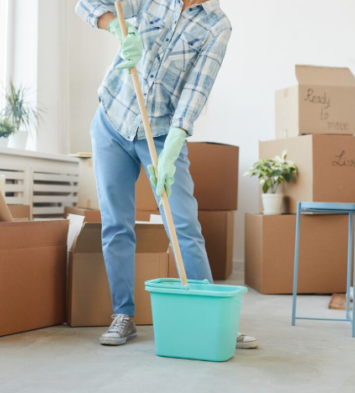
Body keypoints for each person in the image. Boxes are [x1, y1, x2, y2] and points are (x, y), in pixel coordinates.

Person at [76, 0, 257, 349]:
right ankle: (123, 315)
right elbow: (85, 5)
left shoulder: (217, 26)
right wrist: (115, 25)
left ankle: (211, 317)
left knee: (183, 225)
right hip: (113, 117)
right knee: (116, 223)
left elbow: (196, 90)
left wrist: (174, 142)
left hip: (160, 132)